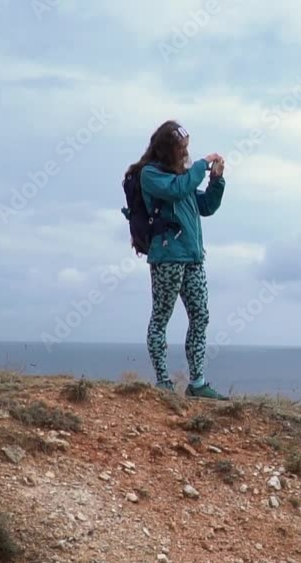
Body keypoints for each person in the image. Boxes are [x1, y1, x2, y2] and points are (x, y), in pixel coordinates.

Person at [124, 120, 227, 399]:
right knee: (161, 317)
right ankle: (163, 382)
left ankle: (197, 383)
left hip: (192, 256)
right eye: (181, 147)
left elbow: (205, 206)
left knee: (200, 316)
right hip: (168, 256)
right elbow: (177, 190)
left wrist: (216, 181)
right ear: (167, 148)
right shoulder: (151, 175)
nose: (185, 152)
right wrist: (202, 165)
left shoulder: (182, 176)